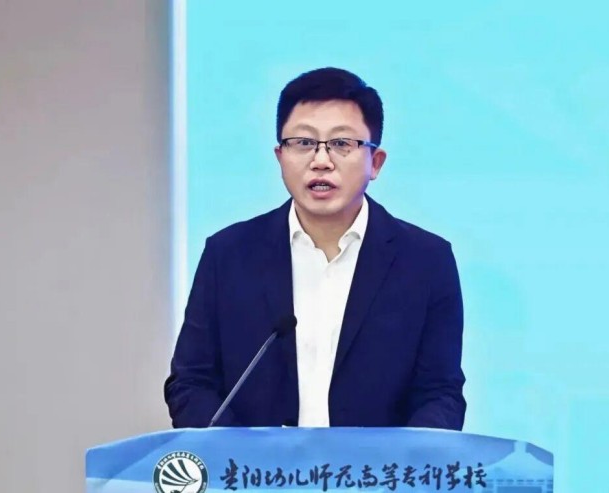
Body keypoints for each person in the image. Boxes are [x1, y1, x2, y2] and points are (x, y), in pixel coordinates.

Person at [164, 67, 466, 429]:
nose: (321, 161)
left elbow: (440, 394)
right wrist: (238, 454)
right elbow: (191, 383)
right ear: (280, 157)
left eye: (342, 143)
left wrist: (405, 455)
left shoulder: (425, 262)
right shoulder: (228, 255)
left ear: (375, 162)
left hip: (377, 467)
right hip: (252, 466)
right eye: (303, 143)